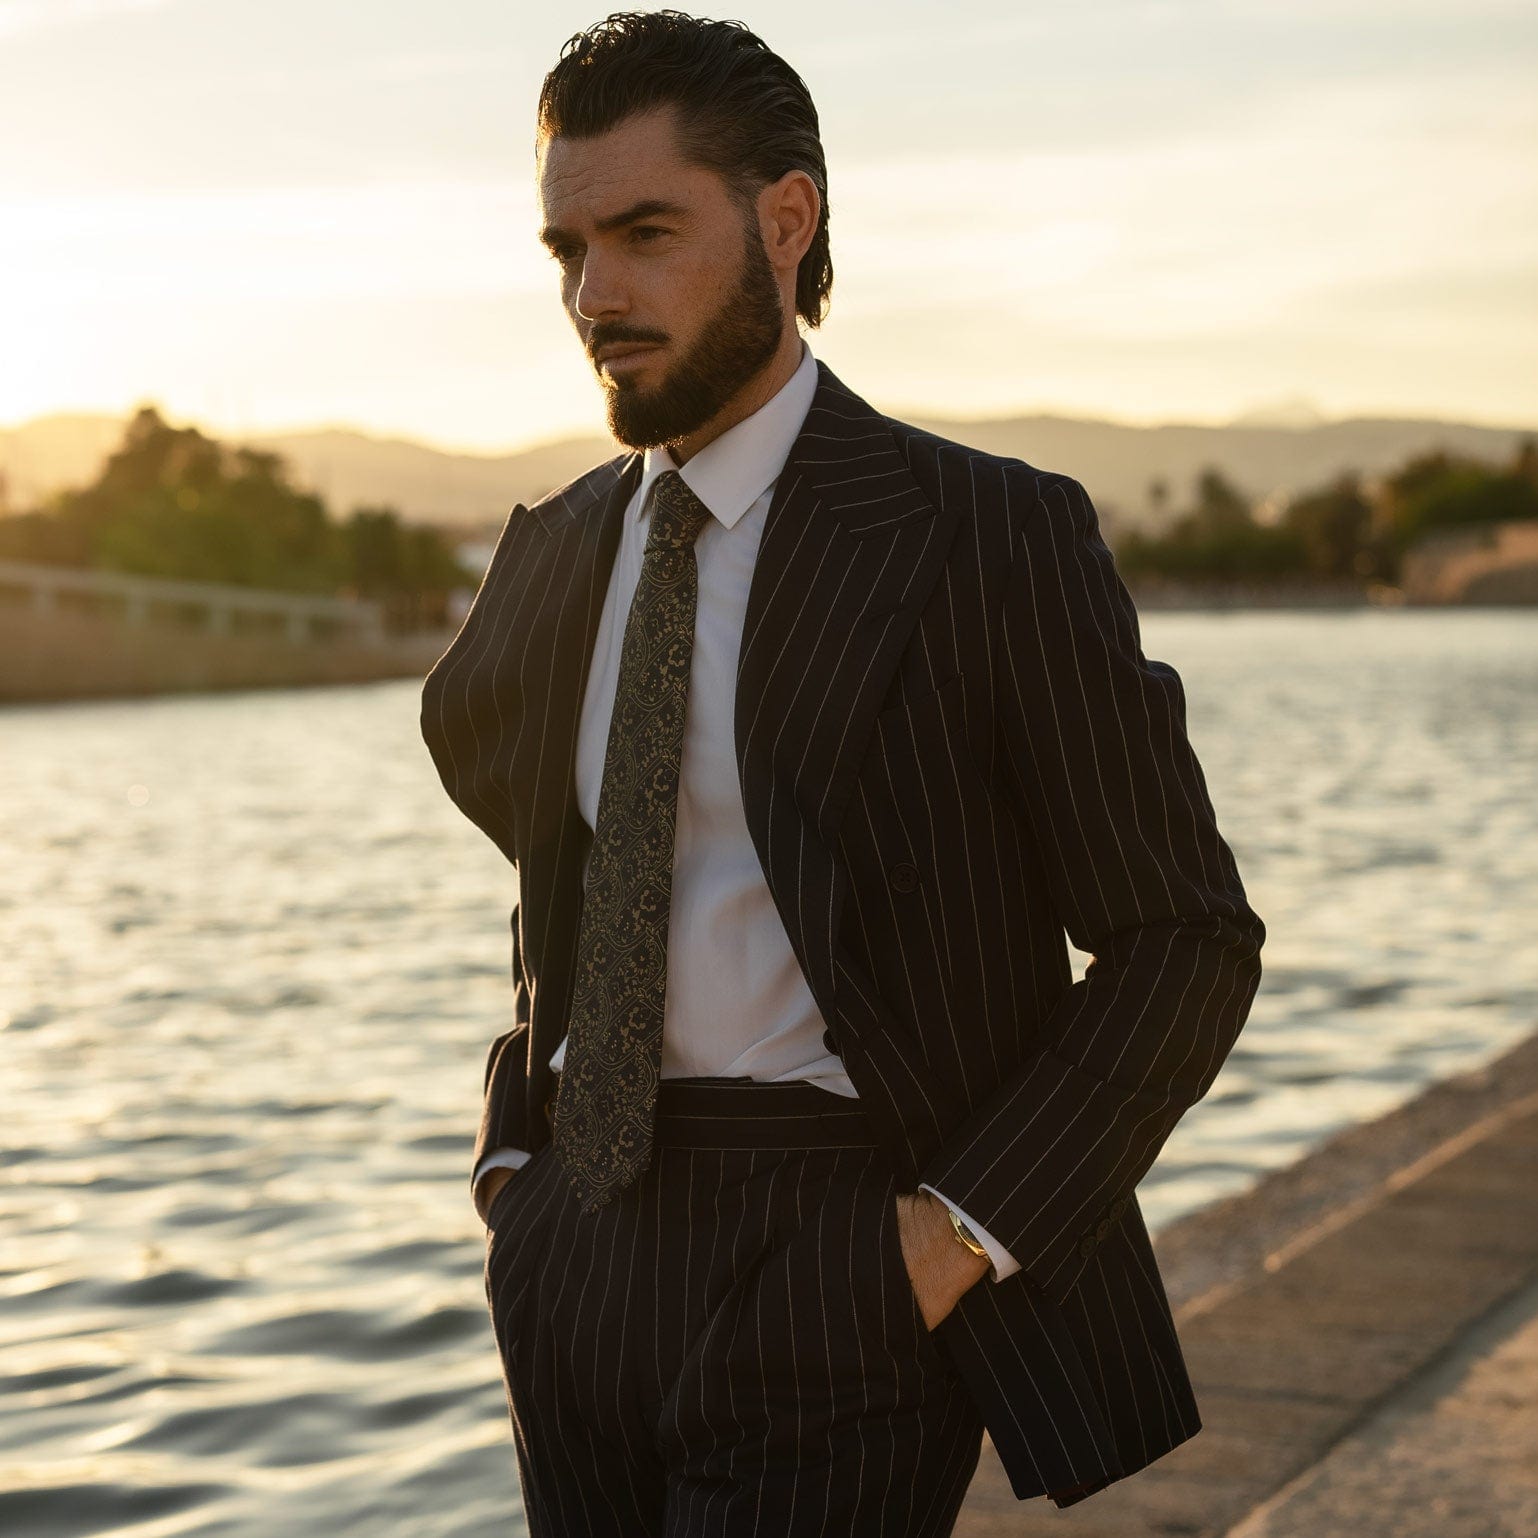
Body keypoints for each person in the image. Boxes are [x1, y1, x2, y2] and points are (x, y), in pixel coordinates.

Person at [419, 11, 1265, 1534]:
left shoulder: (983, 534)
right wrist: (513, 1170)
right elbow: (565, 883)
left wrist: (949, 1237)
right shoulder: (553, 551)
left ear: (784, 220)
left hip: (840, 1248)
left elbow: (1184, 938)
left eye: (645, 233)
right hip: (578, 1253)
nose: (595, 294)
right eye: (567, 250)